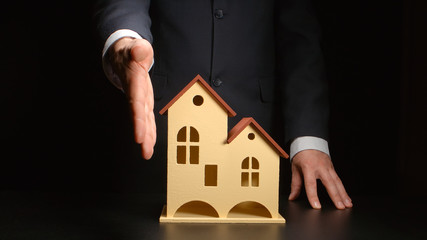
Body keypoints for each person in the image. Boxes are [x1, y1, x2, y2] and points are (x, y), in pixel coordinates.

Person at [94, 0, 352, 210]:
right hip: (160, 138)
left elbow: (299, 35)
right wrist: (124, 42)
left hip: (258, 148)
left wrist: (308, 138)